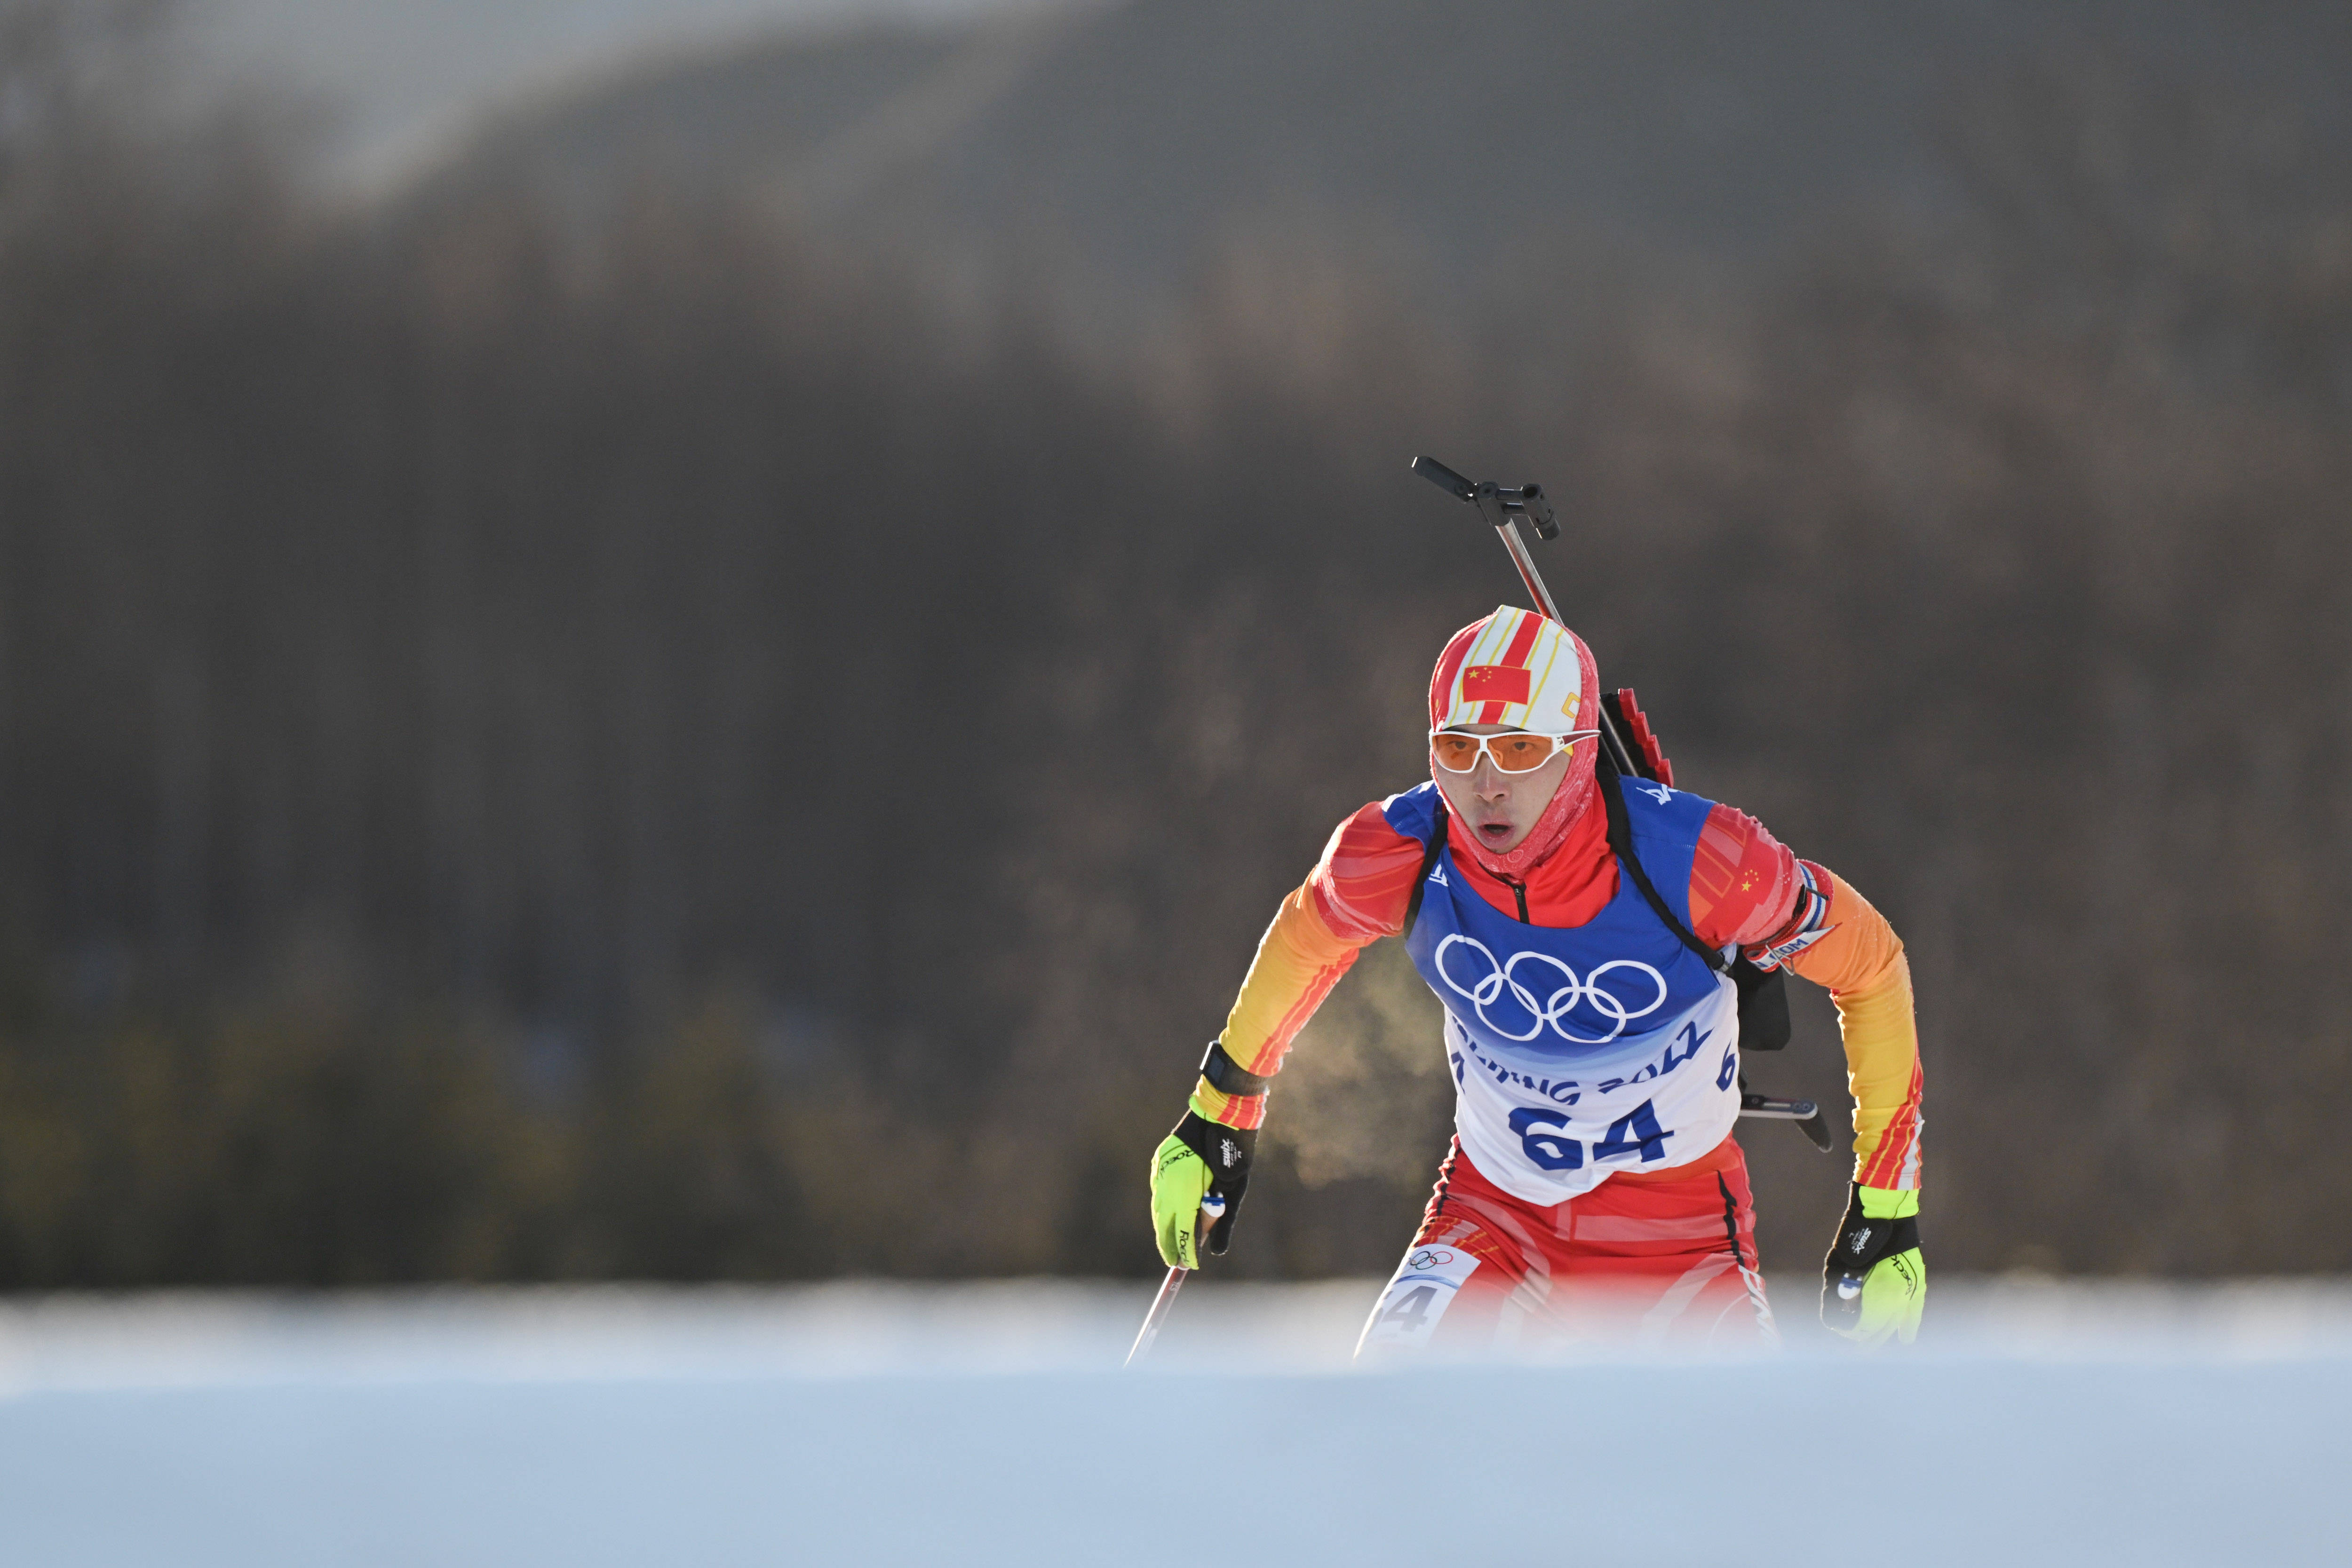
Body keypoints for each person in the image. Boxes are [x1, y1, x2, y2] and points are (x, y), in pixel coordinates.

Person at [1148, 606, 1925, 1354]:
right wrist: (1219, 1111)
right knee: (1388, 1425)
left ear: (1581, 748)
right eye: (1458, 748)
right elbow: (1307, 940)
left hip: (1675, 1236)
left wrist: (1888, 1208)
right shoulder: (1398, 852)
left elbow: (1871, 963)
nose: (1487, 783)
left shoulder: (1701, 859)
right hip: (1494, 1217)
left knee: (1730, 1476)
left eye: (1520, 749)